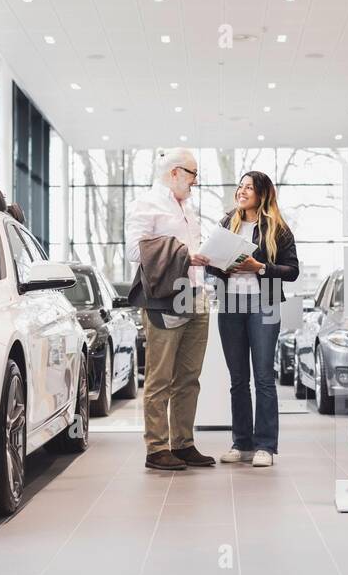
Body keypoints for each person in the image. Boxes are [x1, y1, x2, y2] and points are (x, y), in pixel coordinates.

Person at [124, 148, 215, 472]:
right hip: (164, 297)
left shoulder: (187, 207)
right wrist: (182, 254)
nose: (195, 181)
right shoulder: (147, 203)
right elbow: (135, 250)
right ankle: (157, 447)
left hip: (195, 294)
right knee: (160, 377)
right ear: (175, 172)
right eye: (192, 174)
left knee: (189, 377)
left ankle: (183, 442)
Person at [209, 171, 299, 467]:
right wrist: (223, 266)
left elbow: (292, 270)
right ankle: (241, 442)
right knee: (238, 379)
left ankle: (265, 446)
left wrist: (259, 267)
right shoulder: (227, 223)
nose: (242, 191)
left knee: (263, 377)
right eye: (240, 186)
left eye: (249, 187)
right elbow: (211, 265)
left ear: (262, 193)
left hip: (265, 302)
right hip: (230, 303)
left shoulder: (277, 228)